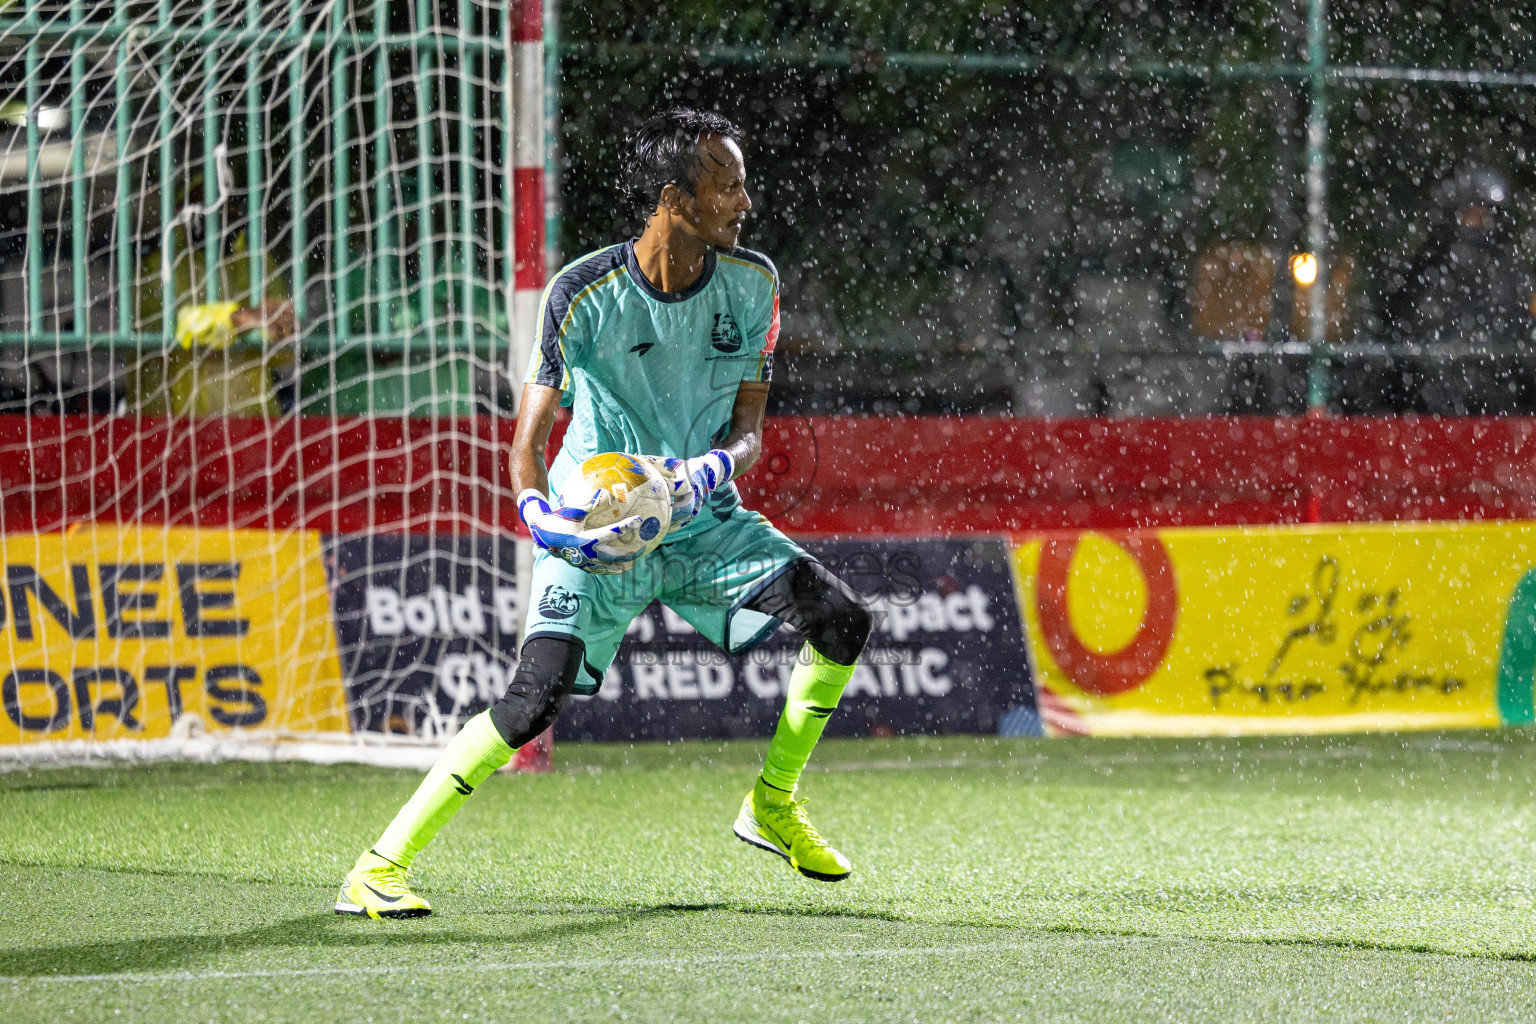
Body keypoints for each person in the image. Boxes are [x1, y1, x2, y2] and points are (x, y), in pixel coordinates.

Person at [335, 108, 873, 919]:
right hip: (597, 531)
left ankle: (772, 803)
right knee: (533, 701)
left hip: (702, 521)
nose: (744, 203)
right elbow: (529, 441)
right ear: (674, 198)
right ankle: (378, 868)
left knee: (842, 622)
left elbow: (750, 431)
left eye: (743, 184)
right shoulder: (582, 293)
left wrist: (713, 468)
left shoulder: (754, 283)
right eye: (727, 187)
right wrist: (537, 514)